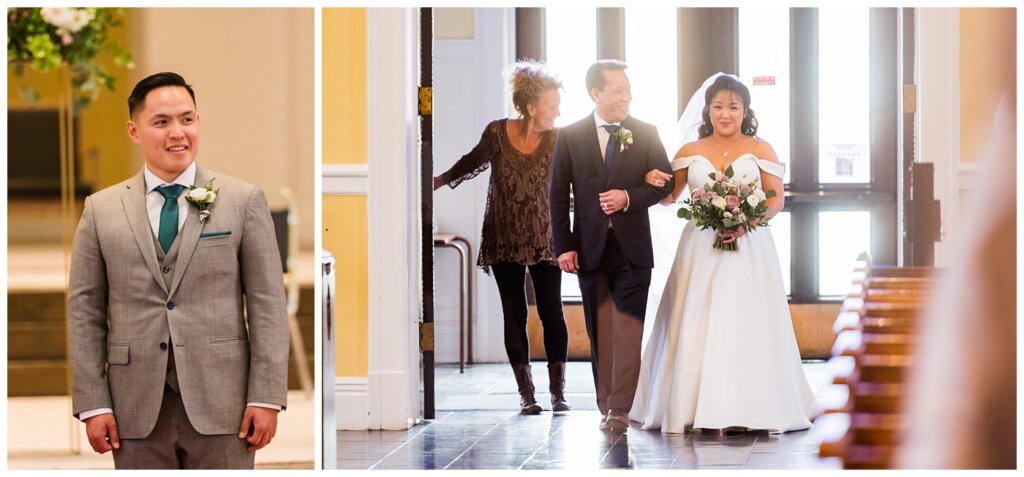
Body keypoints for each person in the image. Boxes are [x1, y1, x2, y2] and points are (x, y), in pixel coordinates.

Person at [67, 72, 290, 469]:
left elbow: (268, 303)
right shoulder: (101, 210)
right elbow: (84, 312)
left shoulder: (242, 200)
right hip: (133, 406)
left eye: (187, 119)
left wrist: (265, 396)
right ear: (134, 131)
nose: (178, 133)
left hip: (225, 403)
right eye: (162, 122)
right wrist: (93, 402)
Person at [630, 73, 817, 434]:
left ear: (745, 110)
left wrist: (747, 220)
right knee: (696, 317)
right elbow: (671, 197)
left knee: (745, 318)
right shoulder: (690, 152)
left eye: (733, 106)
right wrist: (653, 181)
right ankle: (691, 405)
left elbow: (775, 197)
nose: (725, 114)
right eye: (718, 107)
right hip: (700, 246)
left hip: (749, 246)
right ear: (708, 110)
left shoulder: (761, 148)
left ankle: (751, 405)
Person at [433, 60, 570, 415]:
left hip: (545, 236)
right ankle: (527, 394)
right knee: (514, 313)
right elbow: (472, 161)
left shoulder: (558, 139)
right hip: (504, 233)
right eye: (552, 107)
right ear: (530, 107)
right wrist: (437, 181)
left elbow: (571, 183)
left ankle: (558, 393)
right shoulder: (496, 133)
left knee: (552, 311)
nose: (557, 113)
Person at [549, 59, 674, 433]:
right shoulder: (569, 136)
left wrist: (629, 196)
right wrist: (564, 246)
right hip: (589, 250)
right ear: (596, 93)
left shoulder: (646, 132)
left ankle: (620, 408)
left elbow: (665, 184)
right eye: (618, 89)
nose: (626, 96)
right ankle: (606, 404)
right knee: (601, 331)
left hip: (633, 250)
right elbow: (556, 195)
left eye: (628, 89)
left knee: (628, 330)